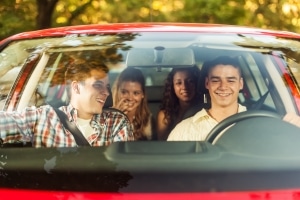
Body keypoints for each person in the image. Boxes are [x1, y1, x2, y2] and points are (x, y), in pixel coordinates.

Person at [0, 59, 134, 147]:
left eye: (107, 87)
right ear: (76, 87)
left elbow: (124, 169)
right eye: (98, 85)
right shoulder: (44, 117)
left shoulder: (117, 122)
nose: (106, 93)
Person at [167, 56, 300, 141]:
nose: (223, 87)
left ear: (240, 84)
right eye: (216, 80)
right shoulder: (183, 130)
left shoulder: (260, 125)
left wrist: (293, 129)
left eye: (230, 80)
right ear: (207, 83)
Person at [157, 66, 202, 140]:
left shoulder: (207, 110)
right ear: (172, 87)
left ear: (197, 84)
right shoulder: (165, 115)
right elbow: (163, 147)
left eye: (190, 81)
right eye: (178, 83)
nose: (184, 87)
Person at [112, 67, 153, 140]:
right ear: (117, 91)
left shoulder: (148, 120)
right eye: (124, 92)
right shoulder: (105, 117)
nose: (130, 98)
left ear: (142, 94)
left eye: (136, 93)